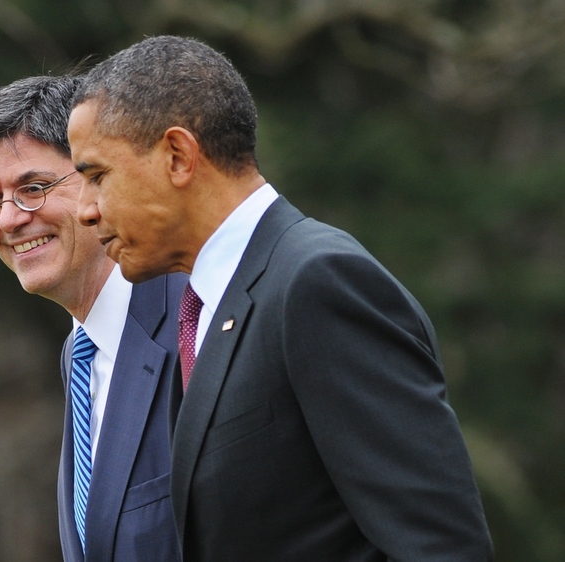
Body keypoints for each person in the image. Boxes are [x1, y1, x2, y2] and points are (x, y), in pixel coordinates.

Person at [67, 35, 493, 561]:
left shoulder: (318, 281)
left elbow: (441, 545)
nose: (84, 210)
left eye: (96, 176)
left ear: (178, 156)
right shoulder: (201, 309)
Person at [0, 75, 185, 562]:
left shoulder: (195, 321)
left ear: (98, 180)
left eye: (33, 188)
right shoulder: (81, 356)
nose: (10, 220)